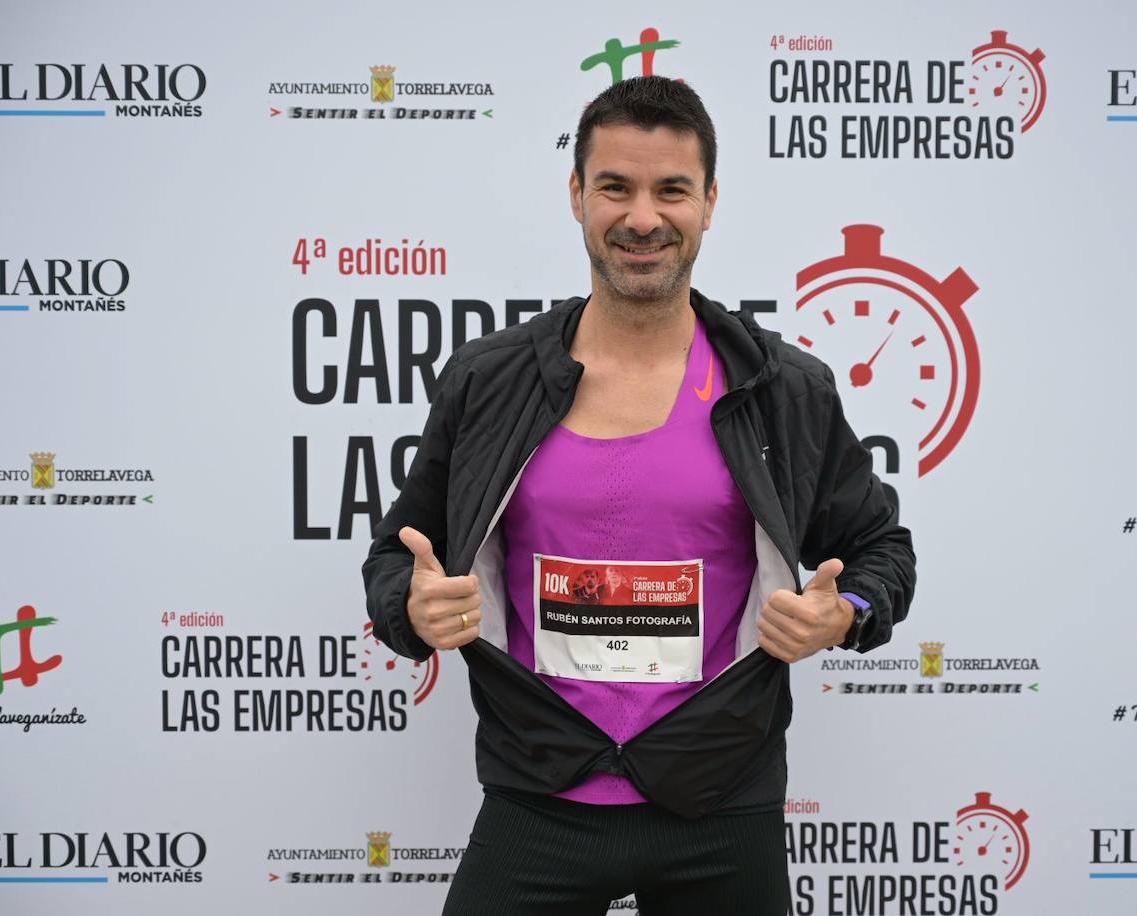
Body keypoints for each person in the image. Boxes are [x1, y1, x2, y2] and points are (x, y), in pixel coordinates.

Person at [363, 76, 915, 916]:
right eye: (616, 186)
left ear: (710, 202)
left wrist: (847, 613)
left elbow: (884, 553)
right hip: (539, 790)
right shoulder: (490, 378)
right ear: (578, 194)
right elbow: (396, 556)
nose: (644, 218)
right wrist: (414, 606)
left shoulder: (782, 387)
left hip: (721, 802)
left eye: (672, 191)